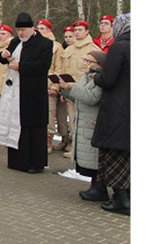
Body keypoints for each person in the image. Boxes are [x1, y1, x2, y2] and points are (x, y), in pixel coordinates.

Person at [0, 12, 53, 174]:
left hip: (33, 92)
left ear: (32, 29)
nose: (21, 33)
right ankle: (17, 161)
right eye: (19, 30)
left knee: (33, 128)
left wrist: (21, 66)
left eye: (24, 30)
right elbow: (2, 59)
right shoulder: (15, 42)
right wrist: (3, 55)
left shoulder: (44, 44)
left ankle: (35, 163)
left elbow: (43, 66)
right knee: (18, 124)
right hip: (15, 91)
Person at [92, 12, 131, 215]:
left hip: (117, 109)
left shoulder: (119, 46)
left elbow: (108, 79)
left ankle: (121, 200)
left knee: (114, 154)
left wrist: (96, 76)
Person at [58, 50, 108, 202]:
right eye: (85, 60)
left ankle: (99, 187)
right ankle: (95, 186)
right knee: (88, 156)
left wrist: (72, 87)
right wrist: (65, 90)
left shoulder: (100, 79)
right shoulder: (86, 77)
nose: (85, 63)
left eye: (89, 61)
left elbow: (92, 97)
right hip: (83, 120)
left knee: (94, 157)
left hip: (92, 122)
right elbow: (79, 94)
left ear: (98, 65)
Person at [58, 20, 100, 154]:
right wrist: (63, 89)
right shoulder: (69, 49)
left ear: (87, 31)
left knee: (83, 123)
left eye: (80, 30)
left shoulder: (93, 49)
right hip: (70, 89)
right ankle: (71, 143)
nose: (77, 32)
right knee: (72, 119)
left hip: (85, 90)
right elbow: (64, 69)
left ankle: (80, 149)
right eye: (75, 30)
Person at [36, 19, 66, 154]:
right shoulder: (34, 44)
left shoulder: (56, 47)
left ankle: (48, 139)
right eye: (38, 28)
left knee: (49, 114)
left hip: (48, 85)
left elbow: (58, 69)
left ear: (49, 30)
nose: (39, 31)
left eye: (42, 28)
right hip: (36, 85)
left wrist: (54, 86)